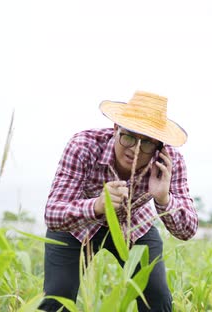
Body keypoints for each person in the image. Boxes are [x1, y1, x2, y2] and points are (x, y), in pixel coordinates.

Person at [38, 90, 198, 312]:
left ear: (160, 146)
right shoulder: (83, 145)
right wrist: (96, 205)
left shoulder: (170, 163)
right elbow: (53, 213)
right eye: (129, 136)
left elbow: (188, 230)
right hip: (77, 225)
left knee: (157, 298)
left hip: (135, 224)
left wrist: (163, 198)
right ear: (116, 129)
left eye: (148, 143)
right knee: (57, 298)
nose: (135, 149)